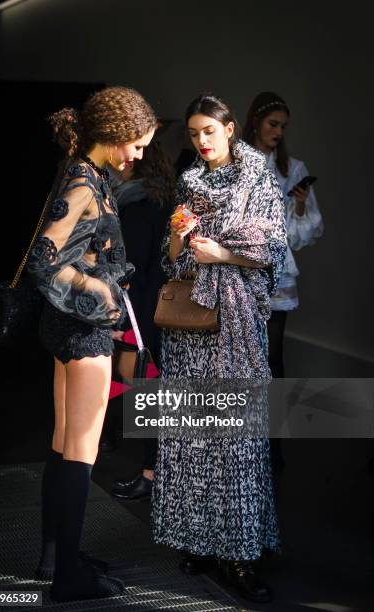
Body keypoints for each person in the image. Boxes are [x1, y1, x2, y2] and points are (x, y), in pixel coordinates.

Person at [151, 93, 287, 604]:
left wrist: (221, 252)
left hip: (233, 323)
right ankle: (198, 540)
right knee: (192, 436)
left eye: (210, 130)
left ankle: (242, 554)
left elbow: (271, 249)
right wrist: (179, 238)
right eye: (193, 134)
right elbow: (170, 263)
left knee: (235, 440)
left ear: (231, 128)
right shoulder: (190, 183)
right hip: (189, 325)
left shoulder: (258, 180)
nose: (202, 142)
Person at [27, 86, 156, 602]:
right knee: (81, 452)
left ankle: (56, 558)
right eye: (138, 144)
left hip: (69, 328)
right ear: (118, 134)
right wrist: (102, 293)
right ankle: (67, 580)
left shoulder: (85, 173)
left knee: (64, 445)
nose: (140, 155)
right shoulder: (85, 180)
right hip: (84, 332)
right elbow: (44, 260)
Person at [109, 140, 176, 500]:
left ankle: (152, 475)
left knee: (143, 389)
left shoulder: (135, 205)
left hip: (140, 311)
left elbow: (131, 267)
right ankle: (157, 472)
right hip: (159, 308)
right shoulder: (163, 199)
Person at [242, 92, 323, 379]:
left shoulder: (292, 168)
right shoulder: (234, 159)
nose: (278, 131)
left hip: (274, 264)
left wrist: (299, 204)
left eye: (283, 127)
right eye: (272, 124)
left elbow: (299, 234)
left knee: (272, 354)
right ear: (256, 121)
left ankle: (271, 419)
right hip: (236, 262)